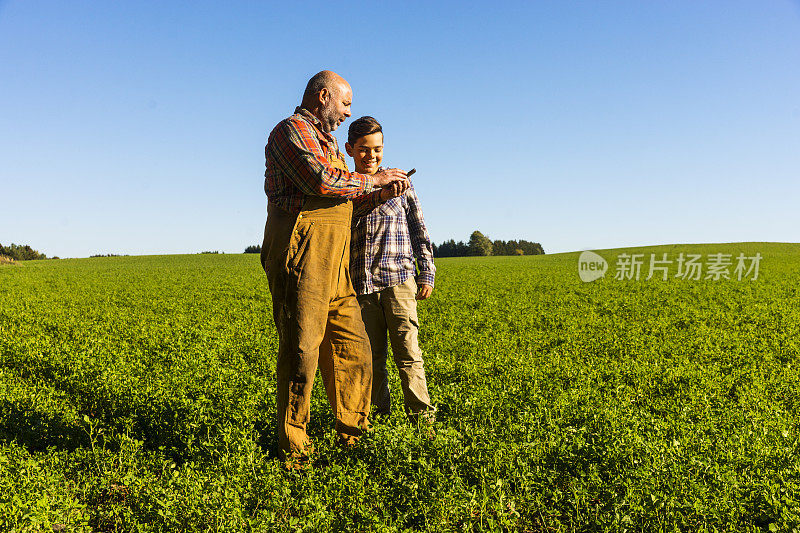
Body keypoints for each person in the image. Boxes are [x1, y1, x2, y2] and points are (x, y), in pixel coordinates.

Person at [260, 71, 409, 461]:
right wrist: (371, 179)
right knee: (302, 349)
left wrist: (379, 193)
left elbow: (344, 201)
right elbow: (322, 181)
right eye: (344, 103)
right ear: (323, 96)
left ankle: (353, 434)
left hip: (335, 258)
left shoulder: (330, 144)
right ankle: (294, 448)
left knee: (353, 348)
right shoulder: (291, 132)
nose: (347, 112)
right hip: (302, 253)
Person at [346, 116, 437, 422]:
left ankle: (422, 420)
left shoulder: (404, 186)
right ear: (349, 149)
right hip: (360, 286)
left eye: (377, 149)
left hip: (399, 281)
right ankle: (378, 419)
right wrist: (379, 192)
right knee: (370, 360)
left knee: (408, 355)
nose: (371, 156)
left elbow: (418, 230)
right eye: (363, 149)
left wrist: (427, 272)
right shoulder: (346, 189)